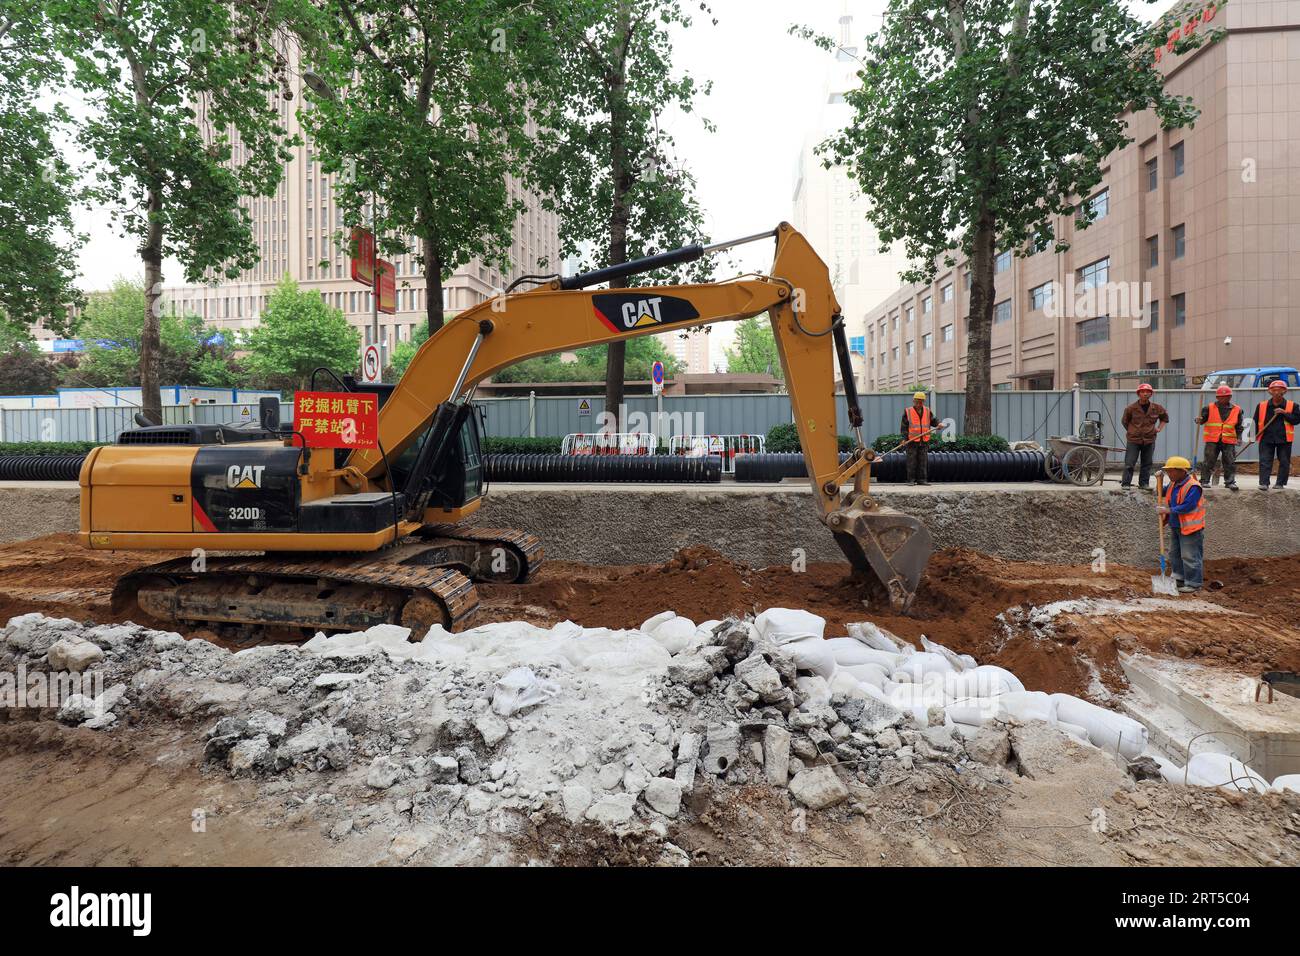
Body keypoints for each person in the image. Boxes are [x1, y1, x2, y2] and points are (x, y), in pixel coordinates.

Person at [1158, 456, 1204, 594]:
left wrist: (1168, 510)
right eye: (1168, 471)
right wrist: (1159, 481)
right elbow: (1162, 491)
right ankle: (1178, 579)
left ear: (1182, 471)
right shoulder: (1173, 484)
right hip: (1176, 525)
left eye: (1171, 471)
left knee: (1189, 556)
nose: (1169, 474)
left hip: (1190, 528)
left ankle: (1193, 583)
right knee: (1175, 554)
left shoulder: (1193, 486)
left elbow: (1188, 506)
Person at [1120, 382, 1169, 488]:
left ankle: (1144, 483)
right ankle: (1126, 483)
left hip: (1149, 439)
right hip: (1133, 440)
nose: (1145, 394)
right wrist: (1132, 431)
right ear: (1138, 394)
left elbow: (1165, 418)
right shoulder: (1131, 408)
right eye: (1142, 392)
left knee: (1147, 463)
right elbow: (1124, 421)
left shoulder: (1157, 408)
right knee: (1129, 463)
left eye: (1148, 392)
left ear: (1151, 394)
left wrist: (1159, 428)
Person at [1196, 385, 1242, 491]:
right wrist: (1199, 420)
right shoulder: (1208, 408)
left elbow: (1239, 426)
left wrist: (1239, 438)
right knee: (1209, 460)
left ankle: (1230, 482)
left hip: (1229, 440)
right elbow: (1202, 420)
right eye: (1222, 397)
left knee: (1229, 461)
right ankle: (1204, 481)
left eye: (1227, 396)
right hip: (1212, 439)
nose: (1224, 399)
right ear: (1217, 397)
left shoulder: (1237, 410)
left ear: (1230, 397)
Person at [1255, 381, 1299, 490]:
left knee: (1284, 461)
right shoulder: (1262, 406)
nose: (1276, 392)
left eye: (1279, 390)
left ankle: (1280, 483)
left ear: (1285, 391)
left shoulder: (1292, 405)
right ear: (1269, 391)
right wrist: (1252, 436)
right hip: (1266, 438)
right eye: (1274, 390)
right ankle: (1264, 483)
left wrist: (1284, 413)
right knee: (1265, 461)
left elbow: (1296, 420)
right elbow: (1255, 421)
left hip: (1284, 438)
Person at [900, 391, 932, 485]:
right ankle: (911, 480)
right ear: (913, 401)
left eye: (920, 402)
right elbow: (904, 427)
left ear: (923, 402)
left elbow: (933, 420)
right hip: (912, 441)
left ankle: (922, 480)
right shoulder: (908, 411)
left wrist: (939, 424)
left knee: (923, 460)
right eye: (917, 402)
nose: (918, 404)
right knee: (911, 461)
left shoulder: (927, 411)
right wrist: (904, 438)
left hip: (924, 440)